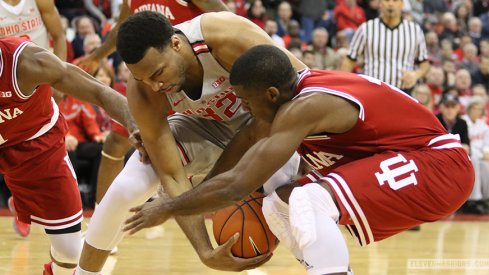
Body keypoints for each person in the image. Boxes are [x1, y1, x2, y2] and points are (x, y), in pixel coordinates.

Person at [122, 45, 474, 275]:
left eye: (246, 100)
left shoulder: (306, 107)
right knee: (280, 204)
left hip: (440, 166)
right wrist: (199, 187)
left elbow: (239, 184)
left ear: (271, 94)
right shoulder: (281, 104)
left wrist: (170, 208)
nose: (242, 108)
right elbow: (245, 143)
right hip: (407, 160)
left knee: (309, 198)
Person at [75, 11, 306, 275]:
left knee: (290, 203)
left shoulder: (226, 36)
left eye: (158, 72)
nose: (155, 84)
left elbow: (304, 89)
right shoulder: (144, 91)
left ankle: (326, 268)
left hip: (265, 125)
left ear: (176, 44)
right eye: (144, 79)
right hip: (204, 128)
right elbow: (173, 176)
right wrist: (204, 251)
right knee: (128, 186)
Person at [0, 36, 140, 275]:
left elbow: (98, 91)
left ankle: (27, 203)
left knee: (69, 252)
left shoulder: (28, 62)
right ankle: (23, 201)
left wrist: (136, 125)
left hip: (35, 143)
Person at [77, 0, 229, 209]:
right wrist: (97, 57)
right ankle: (100, 218)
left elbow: (226, 18)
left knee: (175, 158)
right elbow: (122, 30)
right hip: (151, 83)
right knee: (117, 141)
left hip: (187, 76)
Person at [0, 0, 68, 238]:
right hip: (8, 86)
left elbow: (59, 36)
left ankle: (31, 206)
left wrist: (61, 74)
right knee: (13, 149)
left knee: (54, 143)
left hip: (41, 79)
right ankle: (22, 204)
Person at [340, 0, 430, 94]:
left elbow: (424, 64)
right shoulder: (366, 28)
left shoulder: (414, 30)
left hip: (403, 91)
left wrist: (415, 74)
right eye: (387, 0)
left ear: (402, 4)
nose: (390, 4)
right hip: (371, 90)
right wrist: (344, 88)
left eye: (395, 1)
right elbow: (349, 60)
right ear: (380, 4)